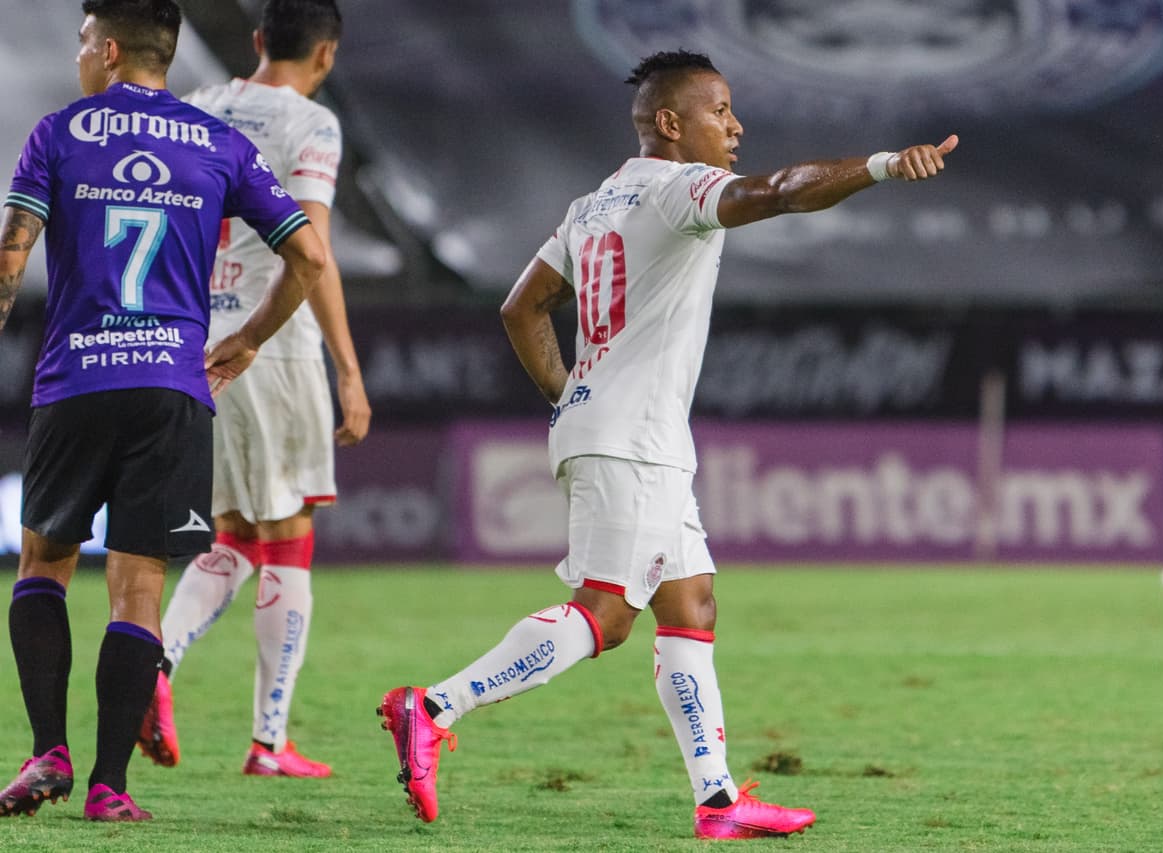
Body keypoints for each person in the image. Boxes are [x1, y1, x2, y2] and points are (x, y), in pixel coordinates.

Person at [377, 49, 956, 840]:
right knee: (607, 616)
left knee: (691, 603)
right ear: (672, 124)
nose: (736, 124)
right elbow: (782, 191)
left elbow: (521, 307)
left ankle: (718, 802)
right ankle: (436, 706)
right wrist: (884, 165)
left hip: (626, 431)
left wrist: (571, 393)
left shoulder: (592, 203)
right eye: (720, 110)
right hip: (633, 440)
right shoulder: (681, 189)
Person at [0, 0, 325, 822]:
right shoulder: (219, 143)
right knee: (137, 589)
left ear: (108, 50)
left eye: (82, 42)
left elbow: (12, 252)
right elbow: (310, 255)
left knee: (43, 563)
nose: (78, 56)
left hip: (76, 380)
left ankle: (47, 752)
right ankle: (110, 787)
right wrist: (249, 338)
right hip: (172, 389)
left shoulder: (60, 133)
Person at [134, 0, 367, 780]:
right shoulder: (314, 124)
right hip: (274, 344)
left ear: (260, 40)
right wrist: (348, 367)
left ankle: (152, 666)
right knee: (288, 538)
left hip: (202, 339)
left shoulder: (200, 109)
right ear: (326, 54)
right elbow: (313, 250)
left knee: (230, 535)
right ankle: (269, 741)